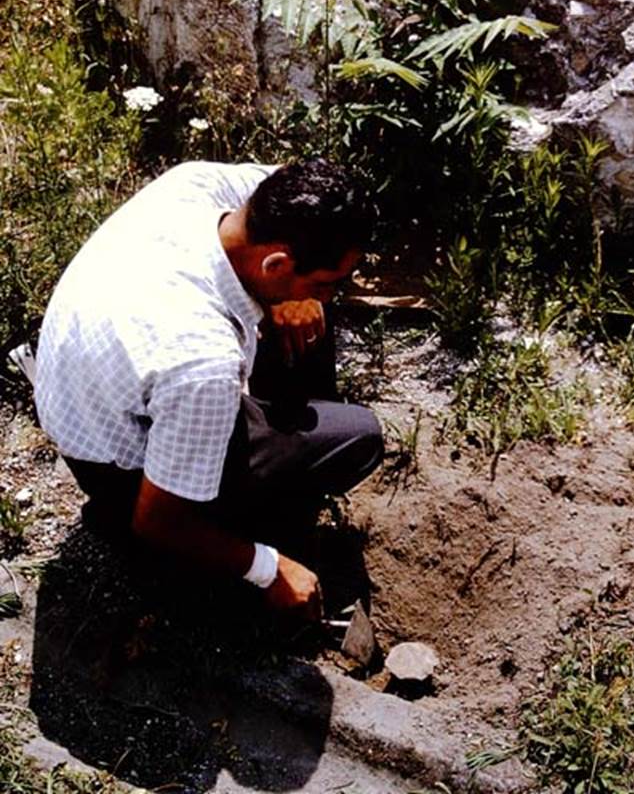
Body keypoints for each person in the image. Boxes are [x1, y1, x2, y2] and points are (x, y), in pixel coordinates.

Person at [34, 157, 384, 622]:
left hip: (92, 404)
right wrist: (267, 567)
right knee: (359, 437)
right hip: (126, 481)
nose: (330, 293)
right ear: (275, 262)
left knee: (306, 316)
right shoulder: (204, 364)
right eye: (324, 283)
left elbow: (280, 179)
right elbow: (157, 521)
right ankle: (245, 552)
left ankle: (272, 455)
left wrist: (296, 294)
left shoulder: (194, 186)